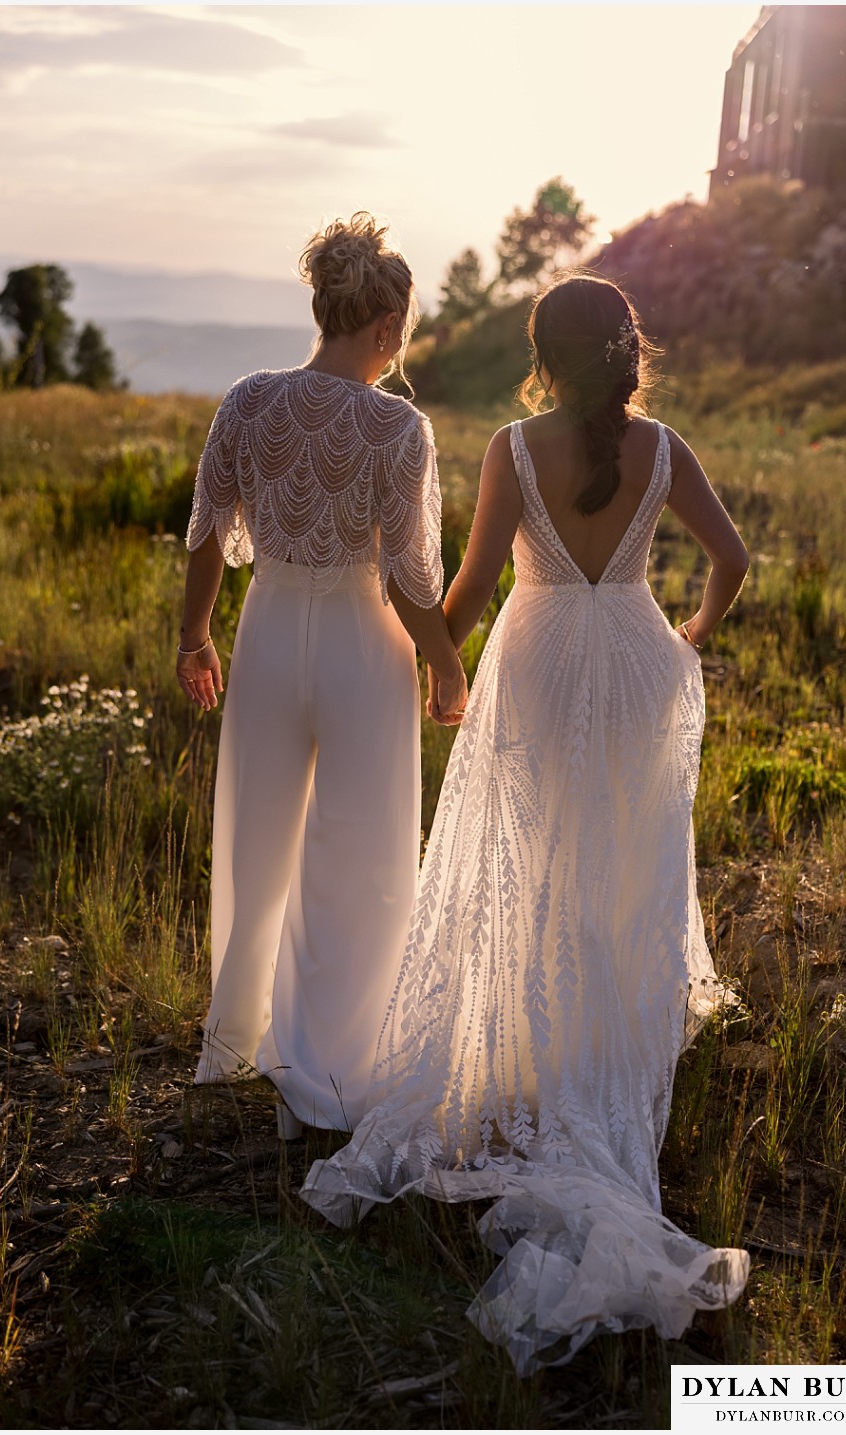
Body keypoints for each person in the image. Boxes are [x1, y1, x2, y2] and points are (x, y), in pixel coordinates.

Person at [301, 273, 751, 1372]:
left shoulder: (511, 445)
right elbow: (732, 562)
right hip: (639, 661)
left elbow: (469, 581)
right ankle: (603, 1041)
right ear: (627, 348)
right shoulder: (666, 448)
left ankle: (532, 1048)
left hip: (543, 662)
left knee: (529, 862)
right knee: (621, 868)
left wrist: (419, 648)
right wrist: (682, 636)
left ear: (543, 350)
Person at [177, 212, 466, 1135]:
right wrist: (447, 657)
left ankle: (237, 1039)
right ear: (386, 328)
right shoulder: (396, 426)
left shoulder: (248, 398)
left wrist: (195, 637)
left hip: (264, 630)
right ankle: (336, 1066)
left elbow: (207, 532)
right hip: (357, 640)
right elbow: (412, 577)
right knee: (361, 850)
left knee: (257, 836)